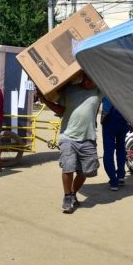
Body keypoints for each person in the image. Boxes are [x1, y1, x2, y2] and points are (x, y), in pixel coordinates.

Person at [38, 73, 102, 214]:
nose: (89, 83)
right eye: (87, 79)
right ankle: (67, 197)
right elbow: (61, 110)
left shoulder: (99, 91)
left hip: (88, 137)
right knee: (68, 167)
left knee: (86, 171)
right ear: (82, 77)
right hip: (68, 136)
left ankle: (73, 193)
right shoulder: (70, 90)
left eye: (92, 80)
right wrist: (44, 100)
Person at [100, 96, 128, 191]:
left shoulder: (106, 83)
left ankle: (113, 181)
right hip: (123, 119)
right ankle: (120, 176)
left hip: (109, 118)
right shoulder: (125, 87)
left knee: (108, 151)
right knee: (121, 148)